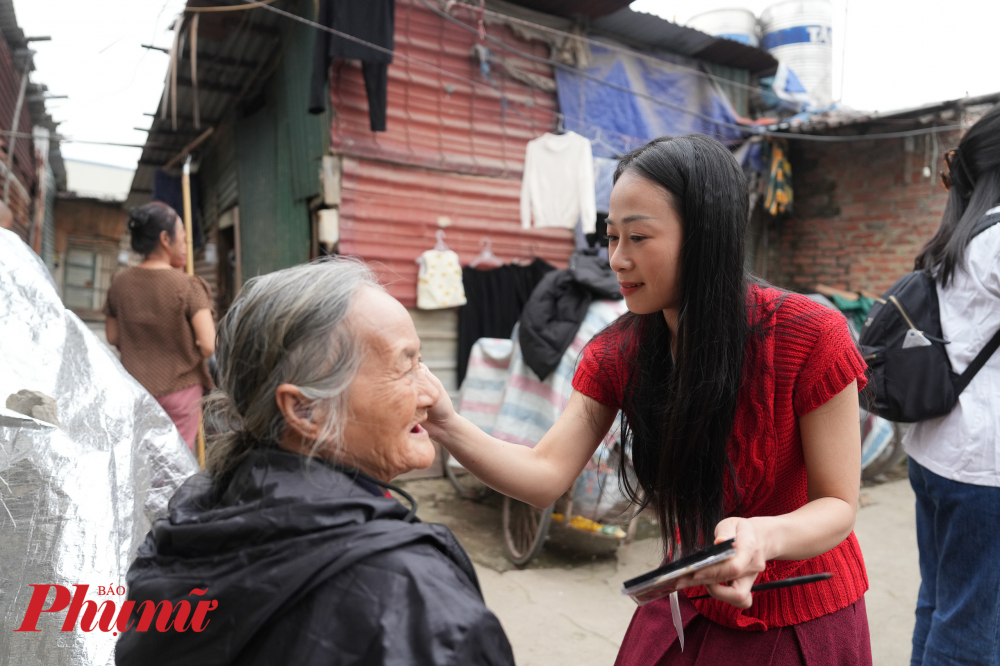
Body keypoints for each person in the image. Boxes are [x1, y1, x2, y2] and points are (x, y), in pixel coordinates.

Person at [427, 134, 872, 664]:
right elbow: (543, 476)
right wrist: (446, 422)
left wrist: (763, 536)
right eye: (611, 237)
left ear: (707, 236)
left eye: (638, 237)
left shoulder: (811, 334)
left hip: (801, 610)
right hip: (688, 596)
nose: (617, 259)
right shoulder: (618, 351)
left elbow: (838, 505)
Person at [116, 259, 515, 666]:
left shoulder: (192, 521)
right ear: (305, 410)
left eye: (421, 362)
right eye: (404, 365)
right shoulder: (424, 606)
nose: (432, 394)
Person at [904, 104, 1000, 666]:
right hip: (984, 471)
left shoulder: (959, 239)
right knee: (972, 631)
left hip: (936, 451)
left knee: (938, 603)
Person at [104, 202, 215, 452]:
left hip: (135, 388)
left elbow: (112, 336)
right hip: (181, 391)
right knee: (177, 462)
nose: (185, 243)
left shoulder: (119, 282)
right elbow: (208, 344)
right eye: (183, 237)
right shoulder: (188, 285)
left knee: (140, 458)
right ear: (166, 239)